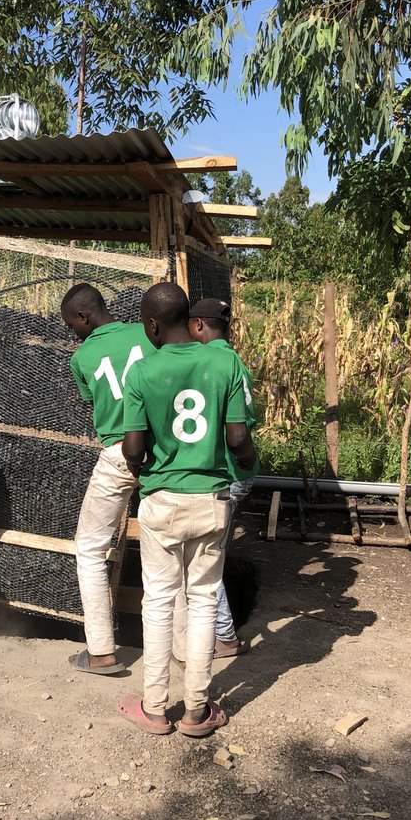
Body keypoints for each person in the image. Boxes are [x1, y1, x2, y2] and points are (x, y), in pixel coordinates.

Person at [119, 283, 257, 737]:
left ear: (153, 325)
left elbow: (133, 449)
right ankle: (197, 710)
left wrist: (144, 468)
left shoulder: (142, 372)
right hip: (212, 499)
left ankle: (155, 708)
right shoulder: (224, 361)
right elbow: (238, 438)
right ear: (189, 319)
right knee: (202, 601)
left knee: (159, 601)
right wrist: (247, 463)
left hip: (162, 501)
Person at [61, 283, 156, 674]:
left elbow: (96, 400)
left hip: (118, 454)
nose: (74, 334)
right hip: (161, 452)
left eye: (73, 326)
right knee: (170, 551)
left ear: (84, 317)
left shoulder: (82, 357)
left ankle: (101, 650)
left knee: (89, 548)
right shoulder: (147, 334)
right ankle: (187, 648)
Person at [179, 296, 260, 659]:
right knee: (211, 553)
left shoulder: (213, 361)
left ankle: (224, 636)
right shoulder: (233, 360)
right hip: (239, 471)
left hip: (226, 473)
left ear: (198, 325)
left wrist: (238, 463)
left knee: (204, 558)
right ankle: (223, 632)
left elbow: (236, 435)